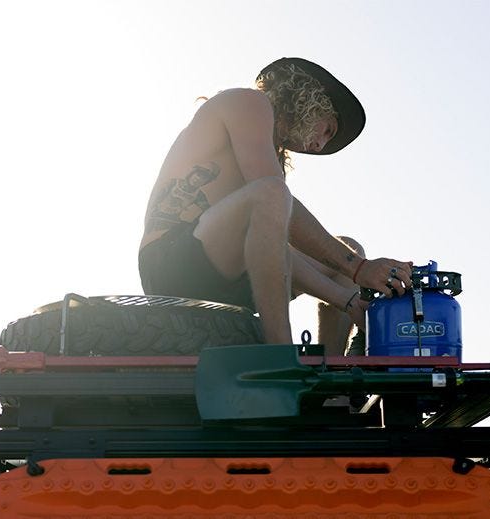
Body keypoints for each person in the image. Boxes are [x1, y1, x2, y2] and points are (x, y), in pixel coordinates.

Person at [138, 57, 413, 351]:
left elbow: (274, 251)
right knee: (273, 193)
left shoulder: (270, 164)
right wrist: (360, 269)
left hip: (229, 272)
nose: (319, 146)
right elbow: (273, 198)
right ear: (312, 98)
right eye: (327, 130)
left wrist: (348, 297)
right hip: (171, 262)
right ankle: (280, 354)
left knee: (348, 249)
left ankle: (332, 386)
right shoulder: (246, 103)